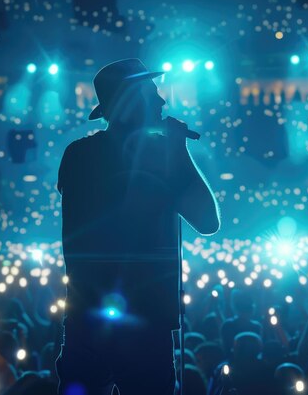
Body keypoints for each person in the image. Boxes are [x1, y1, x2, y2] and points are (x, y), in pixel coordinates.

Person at [55, 58, 220, 395]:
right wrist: (175, 151)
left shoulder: (77, 155)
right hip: (146, 321)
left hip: (87, 318)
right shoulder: (151, 159)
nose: (162, 101)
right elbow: (207, 221)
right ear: (130, 103)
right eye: (151, 93)